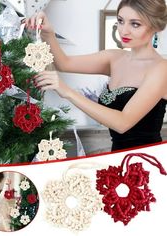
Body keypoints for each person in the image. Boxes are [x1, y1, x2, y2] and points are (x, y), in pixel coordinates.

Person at [25, 0, 167, 151]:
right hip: (115, 159)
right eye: (120, 21)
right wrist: (48, 33)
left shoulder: (161, 69)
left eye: (135, 24)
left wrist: (67, 92)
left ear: (155, 27)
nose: (124, 31)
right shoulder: (115, 58)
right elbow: (64, 63)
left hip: (146, 164)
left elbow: (122, 123)